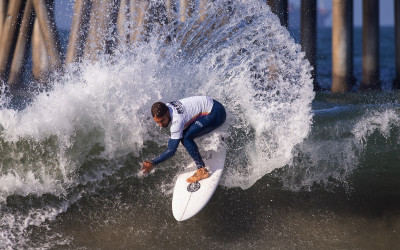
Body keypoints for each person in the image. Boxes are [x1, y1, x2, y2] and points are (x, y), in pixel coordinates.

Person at [141, 96, 226, 183]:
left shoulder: (177, 121)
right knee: (186, 130)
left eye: (162, 120)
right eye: (157, 122)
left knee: (185, 137)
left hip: (217, 114)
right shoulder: (167, 106)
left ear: (167, 112)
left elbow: (171, 151)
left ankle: (202, 170)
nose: (160, 125)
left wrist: (153, 163)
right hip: (214, 104)